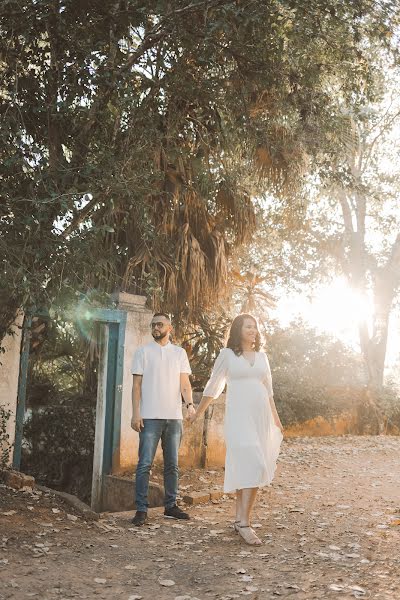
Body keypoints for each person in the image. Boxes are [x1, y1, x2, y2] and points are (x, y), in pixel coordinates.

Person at [189, 313, 283, 545]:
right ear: (238, 329)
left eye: (255, 327)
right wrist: (198, 413)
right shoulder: (227, 355)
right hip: (238, 415)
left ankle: (240, 519)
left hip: (260, 416)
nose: (253, 330)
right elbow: (213, 386)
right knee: (253, 461)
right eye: (248, 326)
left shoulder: (262, 357)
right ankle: (245, 523)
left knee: (249, 466)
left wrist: (277, 420)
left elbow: (269, 391)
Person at [130, 312, 195, 525]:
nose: (155, 328)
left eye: (159, 324)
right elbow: (136, 386)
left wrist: (190, 405)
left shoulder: (179, 353)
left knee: (172, 465)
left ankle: (170, 506)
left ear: (170, 328)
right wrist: (136, 413)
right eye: (153, 325)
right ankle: (141, 509)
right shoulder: (143, 352)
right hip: (149, 417)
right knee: (144, 464)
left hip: (174, 418)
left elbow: (184, 383)